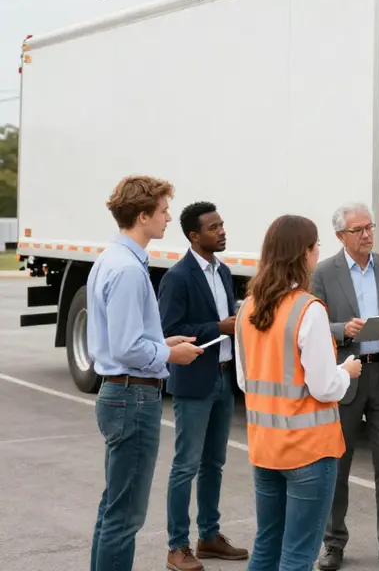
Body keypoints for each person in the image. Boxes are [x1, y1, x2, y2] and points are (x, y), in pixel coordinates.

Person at [86, 175, 204, 571]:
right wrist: (170, 356)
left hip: (123, 393)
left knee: (113, 508)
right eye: (163, 211)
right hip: (132, 397)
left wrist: (164, 345)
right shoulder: (128, 270)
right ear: (142, 215)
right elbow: (126, 348)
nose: (168, 218)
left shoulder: (111, 259)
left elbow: (128, 340)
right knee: (125, 517)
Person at [234, 214, 363, 570]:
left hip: (265, 447)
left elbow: (246, 381)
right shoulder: (309, 309)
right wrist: (347, 372)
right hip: (308, 449)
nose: (319, 250)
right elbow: (324, 387)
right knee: (299, 554)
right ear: (304, 253)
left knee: (267, 546)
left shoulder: (247, 308)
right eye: (316, 244)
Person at [313, 203, 379, 570]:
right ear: (341, 236)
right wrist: (344, 330)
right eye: (359, 230)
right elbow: (311, 326)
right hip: (347, 375)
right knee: (337, 465)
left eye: (370, 227)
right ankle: (333, 542)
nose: (368, 235)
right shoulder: (325, 273)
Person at [158, 201, 249, 570]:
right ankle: (177, 546)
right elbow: (168, 333)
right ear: (194, 236)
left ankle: (209, 536)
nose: (222, 231)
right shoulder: (178, 277)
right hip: (195, 381)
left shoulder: (223, 271)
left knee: (215, 463)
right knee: (186, 466)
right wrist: (219, 327)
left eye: (222, 225)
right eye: (214, 228)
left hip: (225, 377)